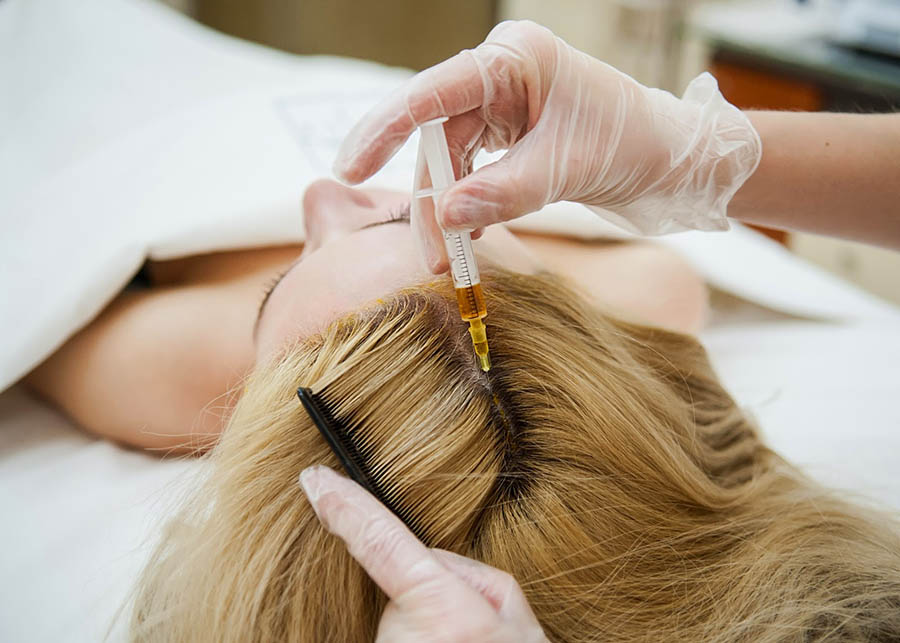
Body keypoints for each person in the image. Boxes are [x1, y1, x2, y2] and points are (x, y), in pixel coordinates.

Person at [312, 18, 900, 641]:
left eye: (399, 218)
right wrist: (696, 155)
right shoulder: (639, 295)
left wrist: (701, 155)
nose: (320, 198)